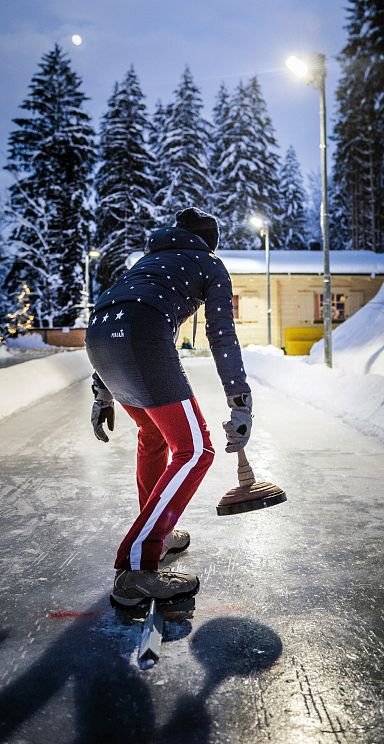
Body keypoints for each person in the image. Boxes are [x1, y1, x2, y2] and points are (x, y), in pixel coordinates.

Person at [86, 207, 252, 609]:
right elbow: (221, 334)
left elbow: (113, 314)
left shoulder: (148, 261)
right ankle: (138, 571)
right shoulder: (208, 263)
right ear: (209, 242)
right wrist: (240, 400)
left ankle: (155, 533)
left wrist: (101, 391)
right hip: (142, 338)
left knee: (154, 436)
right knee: (195, 449)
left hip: (99, 338)